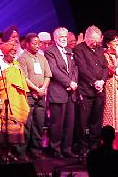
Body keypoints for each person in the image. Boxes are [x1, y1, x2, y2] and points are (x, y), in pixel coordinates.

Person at [0, 42, 30, 160]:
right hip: (4, 100)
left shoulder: (16, 64)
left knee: (14, 127)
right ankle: (2, 153)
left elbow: (22, 80)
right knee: (3, 127)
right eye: (12, 53)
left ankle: (9, 152)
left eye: (15, 53)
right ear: (5, 53)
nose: (14, 56)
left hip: (16, 100)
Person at [74, 25, 108, 156]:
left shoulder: (99, 49)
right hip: (86, 91)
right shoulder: (79, 49)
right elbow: (83, 69)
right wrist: (95, 82)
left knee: (96, 121)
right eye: (92, 40)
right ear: (86, 37)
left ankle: (94, 146)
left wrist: (102, 81)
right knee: (82, 122)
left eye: (97, 40)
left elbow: (105, 67)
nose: (95, 43)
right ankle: (82, 148)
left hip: (99, 91)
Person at [45, 27, 79, 158]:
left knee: (69, 123)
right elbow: (54, 70)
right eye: (61, 37)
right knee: (57, 123)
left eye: (65, 36)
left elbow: (75, 68)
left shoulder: (69, 51)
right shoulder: (50, 52)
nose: (64, 39)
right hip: (58, 92)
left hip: (71, 92)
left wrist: (74, 82)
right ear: (55, 38)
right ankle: (55, 149)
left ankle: (67, 148)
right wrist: (68, 82)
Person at [17, 33, 52, 159]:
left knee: (39, 123)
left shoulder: (42, 58)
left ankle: (36, 151)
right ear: (27, 44)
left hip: (41, 95)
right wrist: (36, 89)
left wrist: (43, 89)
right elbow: (24, 78)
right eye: (34, 43)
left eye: (38, 43)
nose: (37, 46)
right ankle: (22, 152)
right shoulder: (23, 58)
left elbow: (48, 75)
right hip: (29, 95)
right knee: (27, 125)